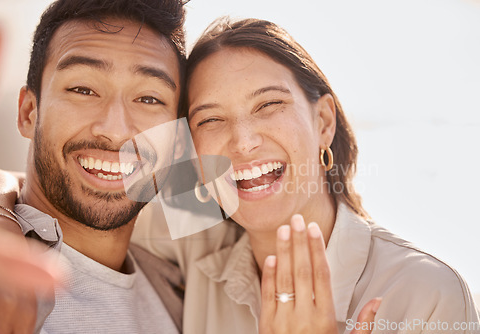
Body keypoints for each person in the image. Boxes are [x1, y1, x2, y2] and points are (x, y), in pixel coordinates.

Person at [131, 17, 480, 333]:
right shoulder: (198, 240)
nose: (243, 142)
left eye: (268, 105)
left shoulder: (427, 295)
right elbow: (110, 200)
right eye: (209, 120)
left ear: (323, 122)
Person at [0, 0, 189, 333]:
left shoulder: (184, 287)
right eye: (83, 89)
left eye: (149, 99)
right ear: (28, 112)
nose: (115, 129)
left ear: (178, 141)